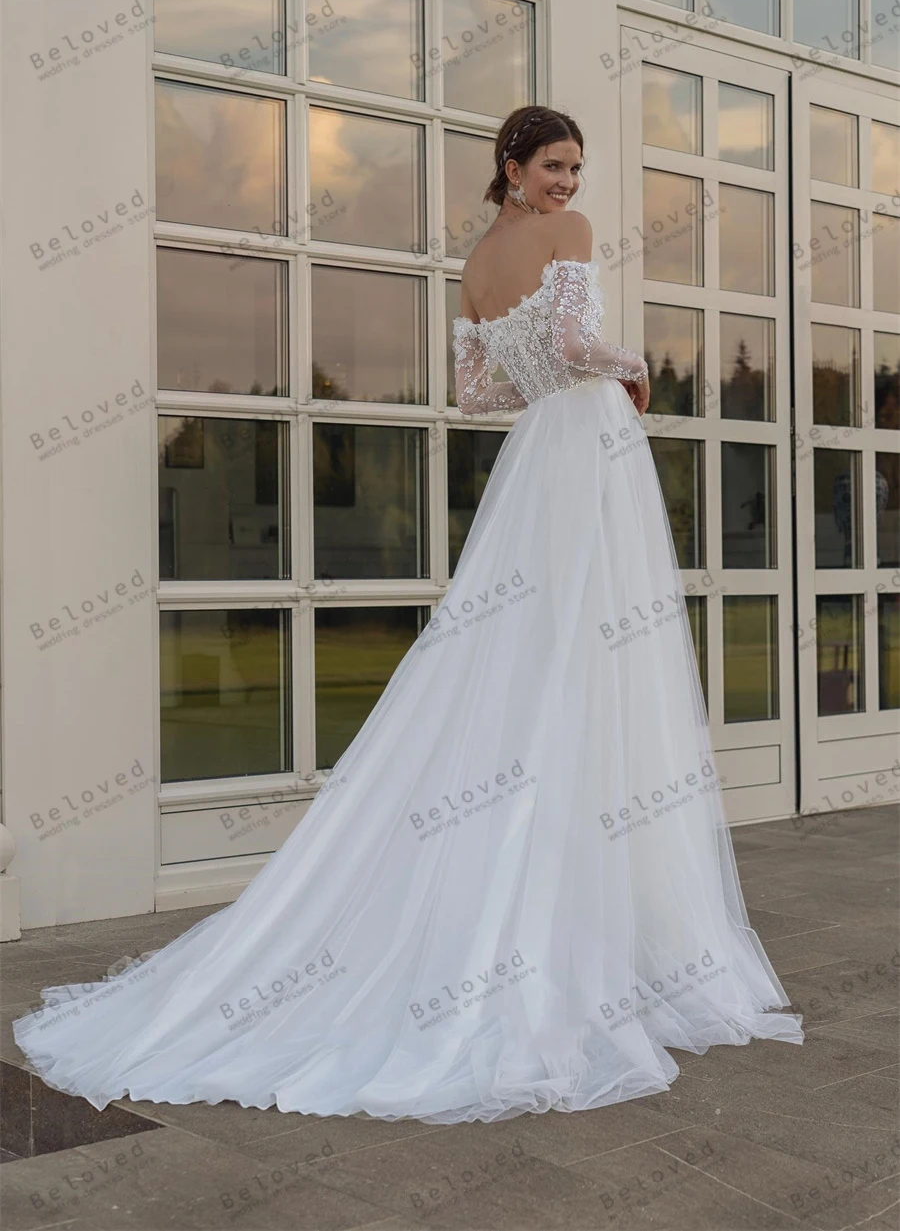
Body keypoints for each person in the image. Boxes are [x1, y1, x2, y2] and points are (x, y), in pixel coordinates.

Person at [13, 105, 803, 1126]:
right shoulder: (570, 235)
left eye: (575, 168)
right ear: (512, 165)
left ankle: (554, 903)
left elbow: (476, 394)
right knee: (595, 659)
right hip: (588, 451)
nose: (569, 182)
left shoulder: (477, 263)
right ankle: (595, 934)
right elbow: (569, 338)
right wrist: (629, 368)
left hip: (536, 461)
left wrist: (552, 385)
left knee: (528, 662)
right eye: (554, 165)